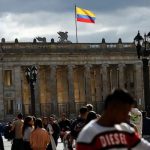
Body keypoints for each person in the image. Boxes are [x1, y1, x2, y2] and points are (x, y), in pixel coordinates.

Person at [76, 89, 150, 150]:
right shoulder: (88, 134)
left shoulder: (125, 129)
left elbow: (144, 147)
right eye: (125, 113)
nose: (127, 118)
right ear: (113, 108)